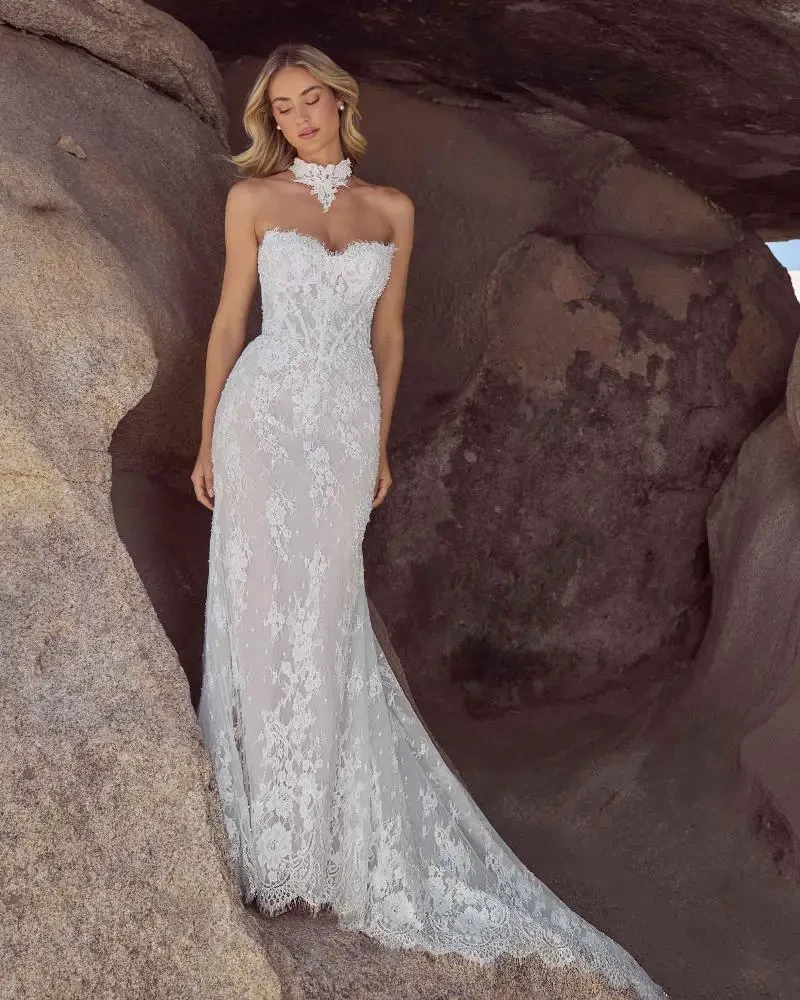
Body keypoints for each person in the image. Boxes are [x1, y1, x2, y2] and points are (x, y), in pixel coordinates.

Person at [192, 42, 669, 1000]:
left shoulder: (392, 211)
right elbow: (228, 318)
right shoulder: (252, 201)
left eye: (308, 100)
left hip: (339, 426)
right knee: (257, 605)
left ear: (337, 99)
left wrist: (374, 445)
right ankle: (263, 841)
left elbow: (391, 333)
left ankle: (325, 842)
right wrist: (207, 441)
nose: (297, 118)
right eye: (280, 109)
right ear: (270, 121)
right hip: (264, 413)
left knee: (325, 612)